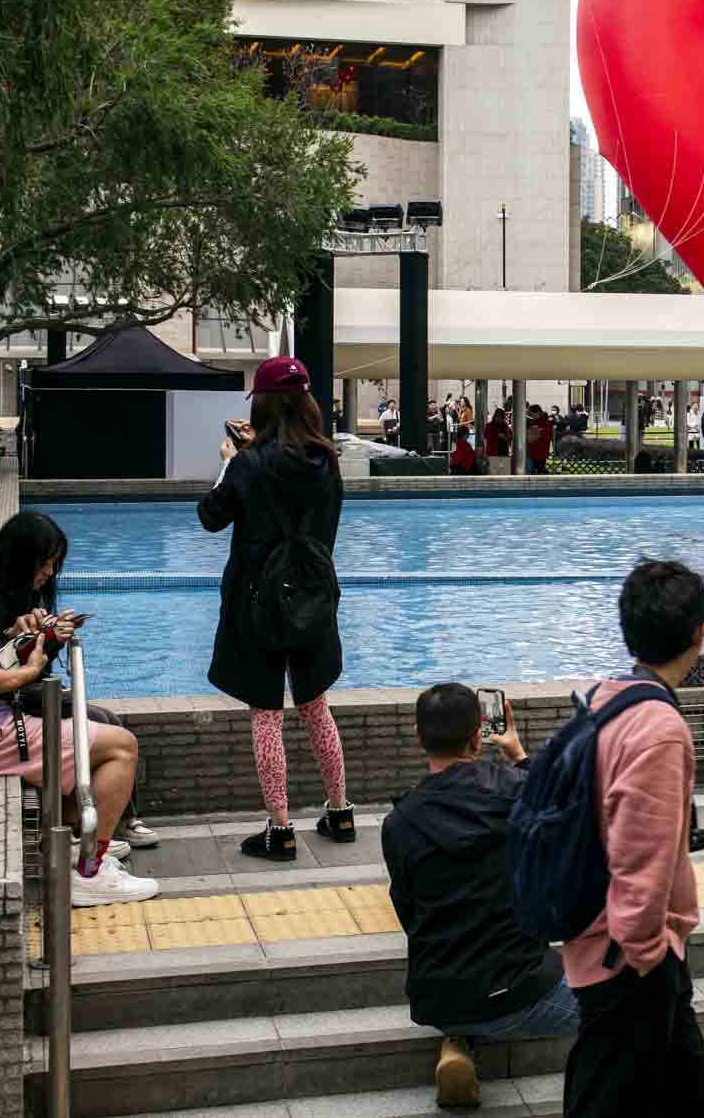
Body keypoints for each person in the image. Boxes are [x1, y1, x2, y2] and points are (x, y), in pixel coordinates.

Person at [0, 485, 158, 904]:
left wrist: (28, 642)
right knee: (121, 748)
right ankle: (90, 872)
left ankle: (74, 847)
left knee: (95, 733)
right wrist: (32, 669)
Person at [561, 560, 704, 1118]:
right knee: (608, 1101)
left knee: (689, 1091)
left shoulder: (607, 696)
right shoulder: (658, 730)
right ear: (699, 632)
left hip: (620, 940)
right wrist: (647, 952)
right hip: (629, 955)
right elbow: (640, 857)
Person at [384, 683, 578, 1107]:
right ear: (478, 736)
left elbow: (408, 912)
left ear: (418, 738)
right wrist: (518, 752)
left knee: (466, 962)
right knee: (626, 1003)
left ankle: (458, 1042)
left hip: (438, 996)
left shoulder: (399, 823)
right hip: (523, 992)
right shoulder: (515, 792)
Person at [200, 357, 353, 862]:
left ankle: (280, 830)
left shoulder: (249, 465)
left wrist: (232, 460)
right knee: (316, 705)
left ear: (262, 405)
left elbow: (211, 517)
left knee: (267, 715)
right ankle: (339, 811)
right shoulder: (327, 461)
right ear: (308, 403)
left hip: (258, 604)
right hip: (311, 598)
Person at [0, 511, 160, 849]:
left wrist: (51, 635)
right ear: (21, 556)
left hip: (19, 693)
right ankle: (93, 847)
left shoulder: (27, 590)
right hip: (3, 705)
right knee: (110, 732)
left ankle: (108, 825)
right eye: (46, 563)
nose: (50, 572)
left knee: (108, 720)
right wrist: (23, 637)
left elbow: (32, 662)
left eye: (55, 564)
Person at [525, 403, 552, 475]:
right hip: (534, 452)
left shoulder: (544, 423)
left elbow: (545, 436)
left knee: (538, 471)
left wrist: (535, 434)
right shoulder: (534, 422)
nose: (530, 416)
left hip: (539, 452)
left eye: (531, 414)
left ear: (537, 413)